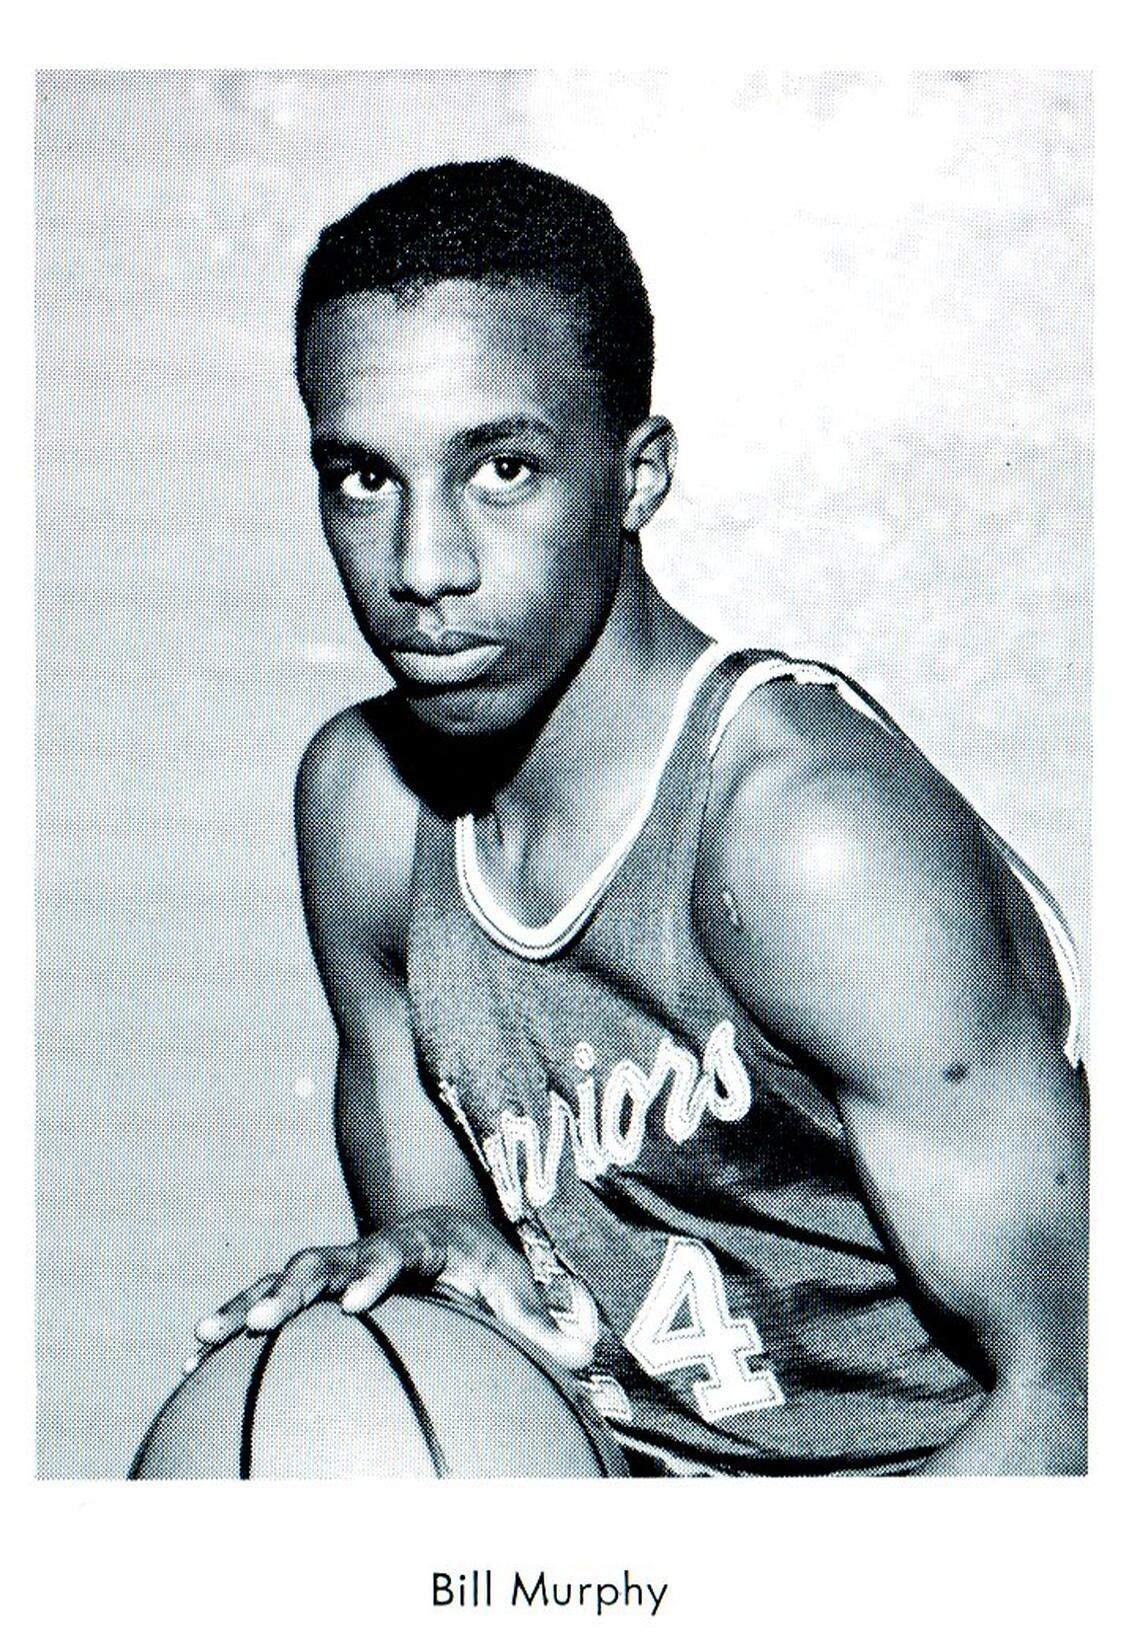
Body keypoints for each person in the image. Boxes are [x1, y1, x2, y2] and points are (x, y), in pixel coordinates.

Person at [190, 157, 1087, 1475]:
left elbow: (1082, 1392)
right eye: (362, 478)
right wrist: (444, 1267)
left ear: (637, 475)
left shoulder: (805, 840)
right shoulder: (365, 813)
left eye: (501, 467)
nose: (422, 569)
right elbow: (492, 1347)